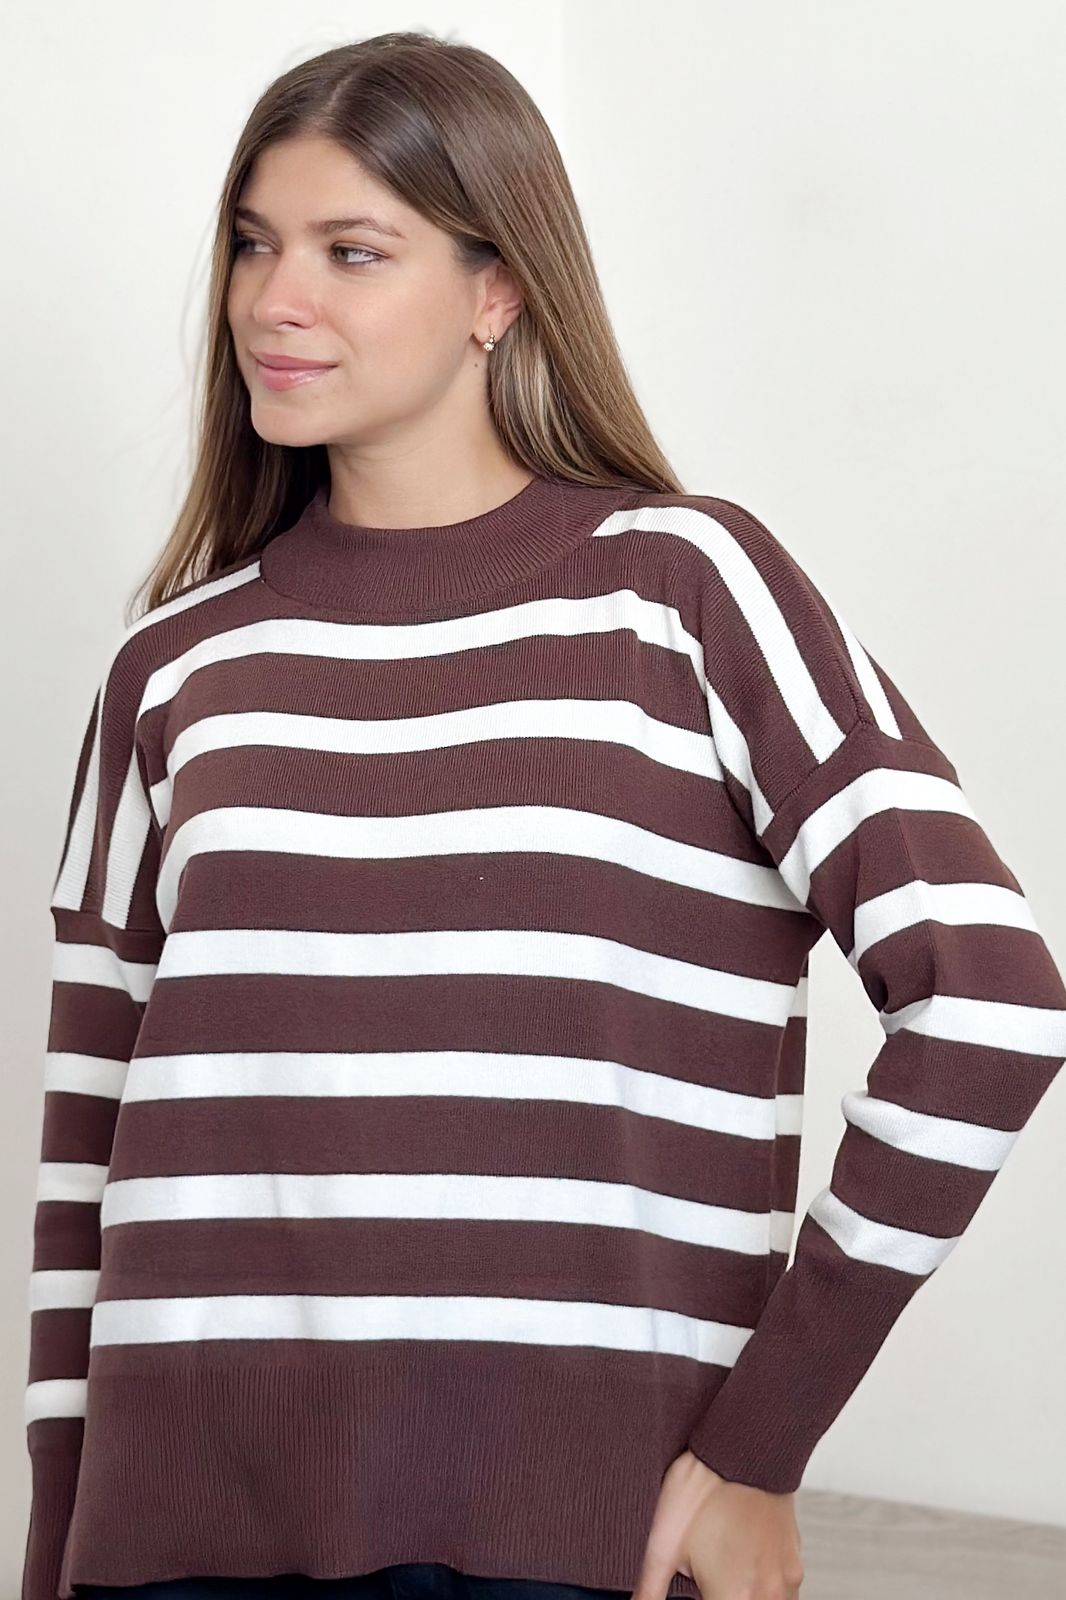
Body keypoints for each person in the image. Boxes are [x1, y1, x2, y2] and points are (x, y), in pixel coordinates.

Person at [20, 28, 1065, 1600]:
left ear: (496, 291)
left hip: (576, 1540)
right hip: (181, 1543)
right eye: (251, 243)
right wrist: (54, 1549)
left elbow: (988, 1002)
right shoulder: (174, 667)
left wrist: (759, 1447)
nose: (272, 299)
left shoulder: (685, 593)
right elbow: (85, 1160)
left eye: (350, 251)